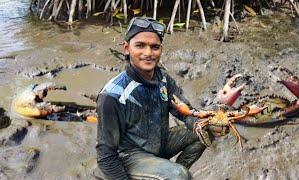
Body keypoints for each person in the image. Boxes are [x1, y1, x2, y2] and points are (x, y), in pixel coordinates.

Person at [94, 17, 227, 180]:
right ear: (126, 48)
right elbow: (106, 155)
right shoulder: (112, 96)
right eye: (140, 45)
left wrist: (208, 123)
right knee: (179, 175)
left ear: (161, 50)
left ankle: (171, 174)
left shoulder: (163, 79)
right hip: (129, 157)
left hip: (158, 142)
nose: (148, 53)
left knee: (203, 128)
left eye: (154, 47)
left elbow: (185, 112)